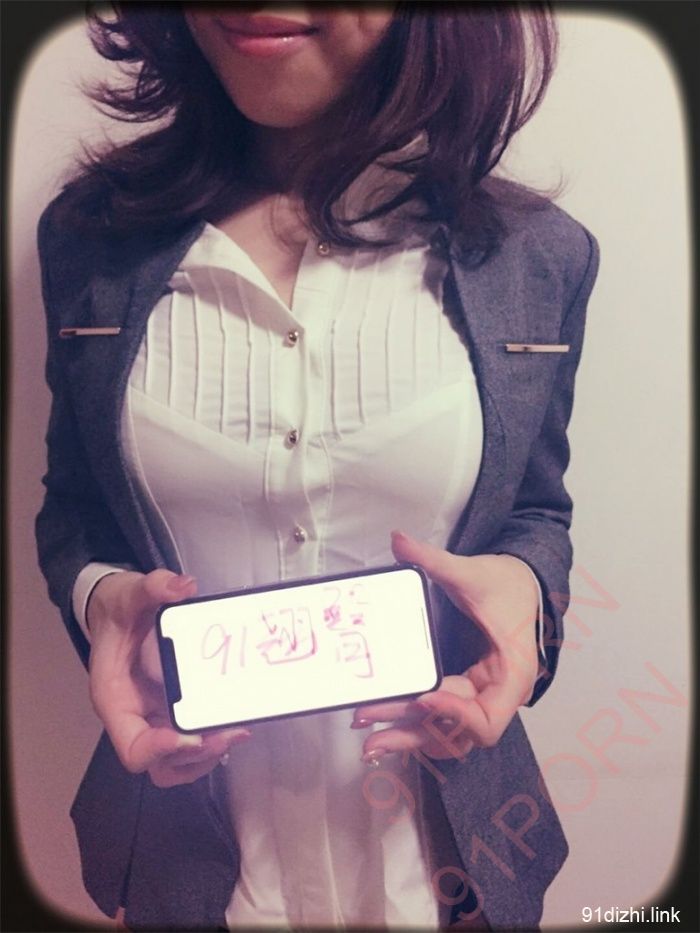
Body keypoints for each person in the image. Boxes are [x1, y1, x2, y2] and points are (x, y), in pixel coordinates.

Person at [35, 2, 599, 930]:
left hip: (454, 875)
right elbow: (76, 509)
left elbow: (536, 510)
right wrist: (103, 600)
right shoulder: (90, 240)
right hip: (188, 874)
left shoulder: (536, 256)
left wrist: (528, 598)